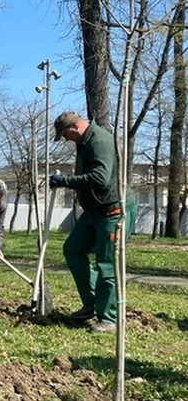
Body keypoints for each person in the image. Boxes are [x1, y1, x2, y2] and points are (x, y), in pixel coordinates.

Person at [49, 111, 137, 333]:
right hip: (94, 211)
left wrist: (65, 181)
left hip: (113, 210)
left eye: (66, 135)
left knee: (107, 264)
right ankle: (91, 303)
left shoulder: (99, 140)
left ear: (76, 126)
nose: (66, 140)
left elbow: (100, 178)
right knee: (73, 249)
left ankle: (109, 318)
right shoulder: (84, 141)